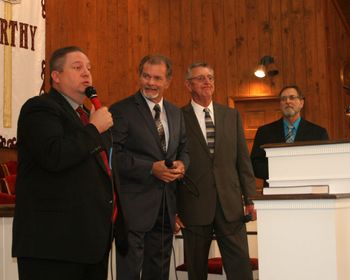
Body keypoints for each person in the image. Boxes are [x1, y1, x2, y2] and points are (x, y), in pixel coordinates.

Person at [12, 46, 120, 280]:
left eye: (89, 68)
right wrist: (94, 129)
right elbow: (55, 155)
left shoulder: (85, 117)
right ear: (56, 76)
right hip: (53, 246)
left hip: (91, 244)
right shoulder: (39, 108)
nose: (87, 74)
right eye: (77, 67)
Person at [109, 55, 189, 280]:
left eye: (157, 78)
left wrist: (183, 164)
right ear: (139, 76)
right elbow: (115, 157)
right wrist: (150, 168)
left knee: (159, 271)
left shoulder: (175, 113)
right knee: (130, 272)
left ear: (168, 82)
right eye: (146, 76)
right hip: (133, 209)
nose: (150, 83)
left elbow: (184, 150)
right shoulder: (121, 110)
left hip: (165, 206)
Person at [176, 62, 257, 280]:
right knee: (196, 269)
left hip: (230, 204)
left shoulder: (231, 116)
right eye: (200, 78)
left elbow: (243, 161)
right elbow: (172, 162)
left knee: (240, 266)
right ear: (188, 85)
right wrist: (173, 208)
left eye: (210, 77)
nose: (207, 81)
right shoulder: (177, 117)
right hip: (193, 205)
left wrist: (250, 199)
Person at [250, 85, 329, 186]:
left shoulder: (318, 133)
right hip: (274, 192)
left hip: (308, 192)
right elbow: (255, 164)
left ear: (301, 103)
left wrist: (297, 171)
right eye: (283, 99)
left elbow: (323, 165)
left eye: (292, 97)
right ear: (280, 104)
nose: (287, 101)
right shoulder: (264, 132)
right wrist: (281, 171)